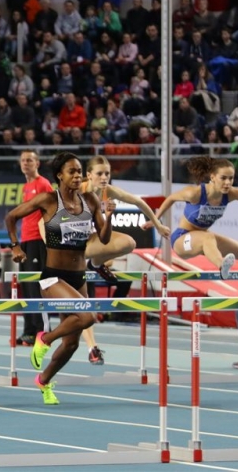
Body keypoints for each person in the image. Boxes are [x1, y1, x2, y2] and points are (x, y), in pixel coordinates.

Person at [5, 152, 115, 405]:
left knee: (72, 344)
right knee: (87, 317)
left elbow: (105, 237)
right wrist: (15, 246)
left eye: (79, 172)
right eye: (71, 172)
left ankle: (43, 381)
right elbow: (11, 217)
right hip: (53, 277)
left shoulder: (90, 200)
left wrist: (109, 216)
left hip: (78, 277)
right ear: (59, 176)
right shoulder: (48, 200)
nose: (77, 176)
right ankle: (44, 338)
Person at [78, 156, 171, 365]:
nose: (104, 177)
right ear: (89, 175)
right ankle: (92, 347)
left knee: (129, 243)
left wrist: (157, 224)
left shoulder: (107, 191)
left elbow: (139, 202)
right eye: (99, 174)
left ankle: (95, 264)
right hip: (69, 247)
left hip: (88, 243)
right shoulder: (75, 191)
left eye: (107, 173)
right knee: (83, 303)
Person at [151, 156, 238, 280]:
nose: (227, 183)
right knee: (208, 237)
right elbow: (171, 198)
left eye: (231, 178)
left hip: (203, 237)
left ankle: (208, 251)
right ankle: (221, 265)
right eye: (223, 178)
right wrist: (156, 220)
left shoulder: (231, 194)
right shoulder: (195, 193)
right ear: (212, 177)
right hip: (182, 239)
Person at [16, 150, 53, 346]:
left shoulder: (43, 184)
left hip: (39, 241)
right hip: (26, 240)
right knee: (27, 287)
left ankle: (42, 331)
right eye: (23, 160)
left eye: (29, 160)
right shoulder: (26, 186)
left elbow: (51, 211)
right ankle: (29, 331)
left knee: (37, 288)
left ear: (37, 163)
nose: (25, 163)